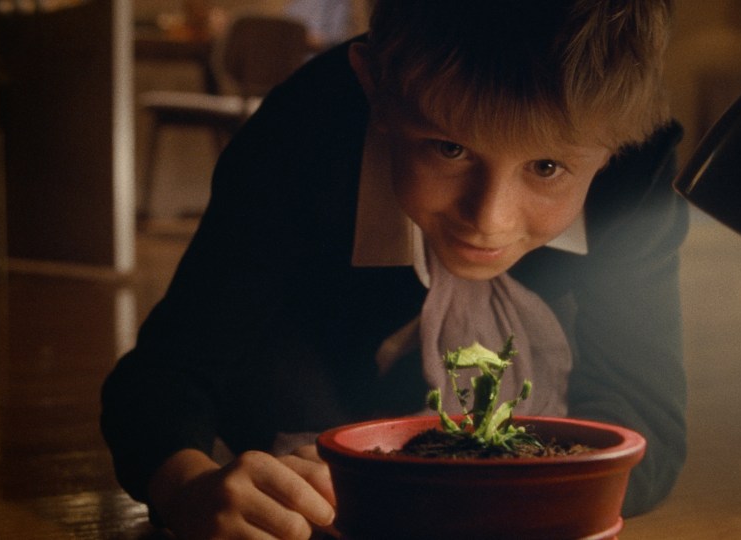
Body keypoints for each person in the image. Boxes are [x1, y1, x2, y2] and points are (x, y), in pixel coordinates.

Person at [101, 1, 689, 538]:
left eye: (546, 166)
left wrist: (477, 491)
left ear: (613, 146)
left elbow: (645, 423)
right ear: (374, 87)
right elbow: (166, 374)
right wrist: (186, 487)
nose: (489, 220)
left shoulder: (632, 157)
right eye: (449, 148)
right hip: (306, 405)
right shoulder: (302, 130)